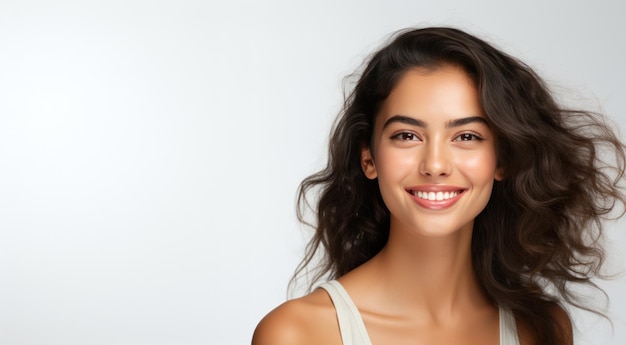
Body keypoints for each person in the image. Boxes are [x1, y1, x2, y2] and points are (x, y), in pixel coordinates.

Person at [252, 27, 626, 345]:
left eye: (465, 136)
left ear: (502, 159)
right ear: (368, 158)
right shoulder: (299, 333)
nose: (434, 165)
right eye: (407, 135)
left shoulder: (541, 328)